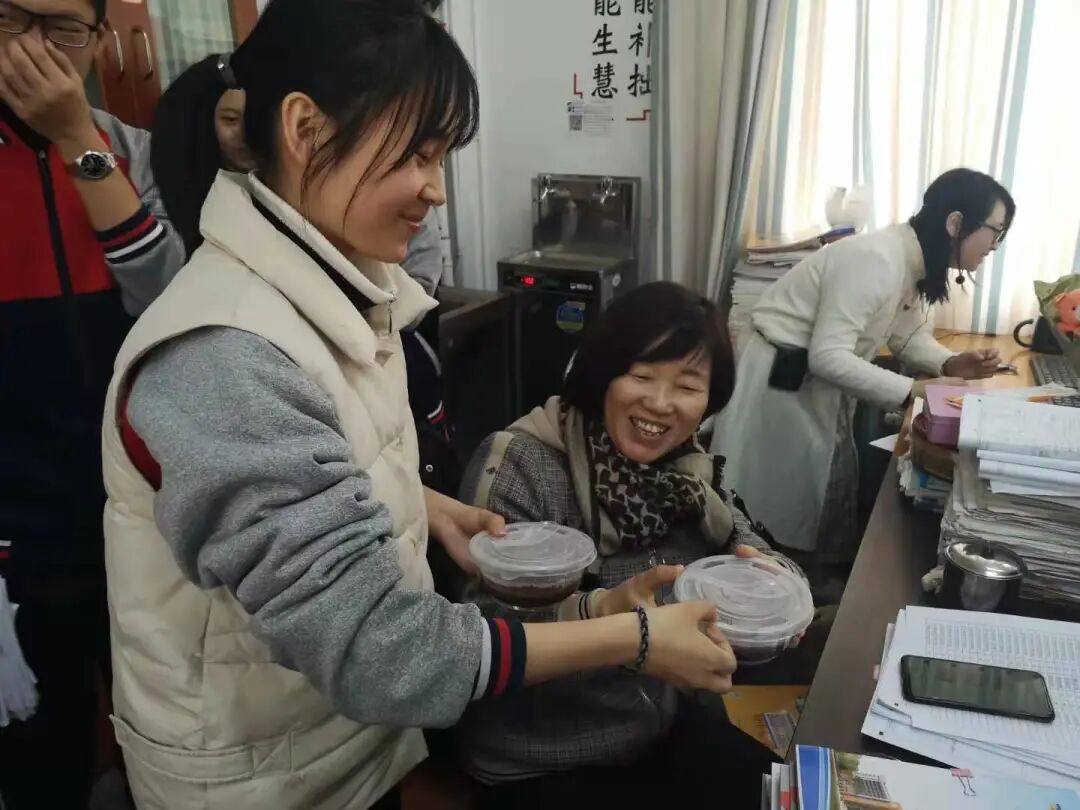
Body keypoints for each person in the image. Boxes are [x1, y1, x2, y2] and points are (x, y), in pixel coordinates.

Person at [105, 2, 734, 807]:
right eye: (417, 153)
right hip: (257, 779)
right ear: (304, 129)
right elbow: (382, 652)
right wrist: (634, 638)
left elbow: (308, 467)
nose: (436, 189)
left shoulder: (329, 300)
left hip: (340, 744)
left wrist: (417, 500)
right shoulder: (224, 354)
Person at [459, 281, 804, 807]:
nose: (660, 404)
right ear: (602, 373)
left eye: (687, 386)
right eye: (641, 376)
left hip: (657, 728)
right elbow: (479, 630)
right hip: (541, 756)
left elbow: (740, 532)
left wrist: (779, 581)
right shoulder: (521, 463)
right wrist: (619, 627)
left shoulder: (686, 467)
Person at [0, 0, 185, 806]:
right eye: (11, 20)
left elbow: (173, 303)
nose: (34, 48)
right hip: (20, 527)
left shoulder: (135, 150)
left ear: (102, 41)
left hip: (145, 507)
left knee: (167, 721)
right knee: (42, 742)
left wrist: (78, 138)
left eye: (63, 27)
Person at [712, 168, 1015, 559]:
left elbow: (904, 334)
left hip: (810, 381)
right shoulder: (877, 259)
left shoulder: (909, 258)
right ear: (956, 223)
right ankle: (768, 570)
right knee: (774, 498)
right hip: (781, 378)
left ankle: (804, 570)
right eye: (995, 231)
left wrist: (952, 363)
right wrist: (913, 390)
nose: (994, 245)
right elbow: (828, 355)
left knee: (817, 489)